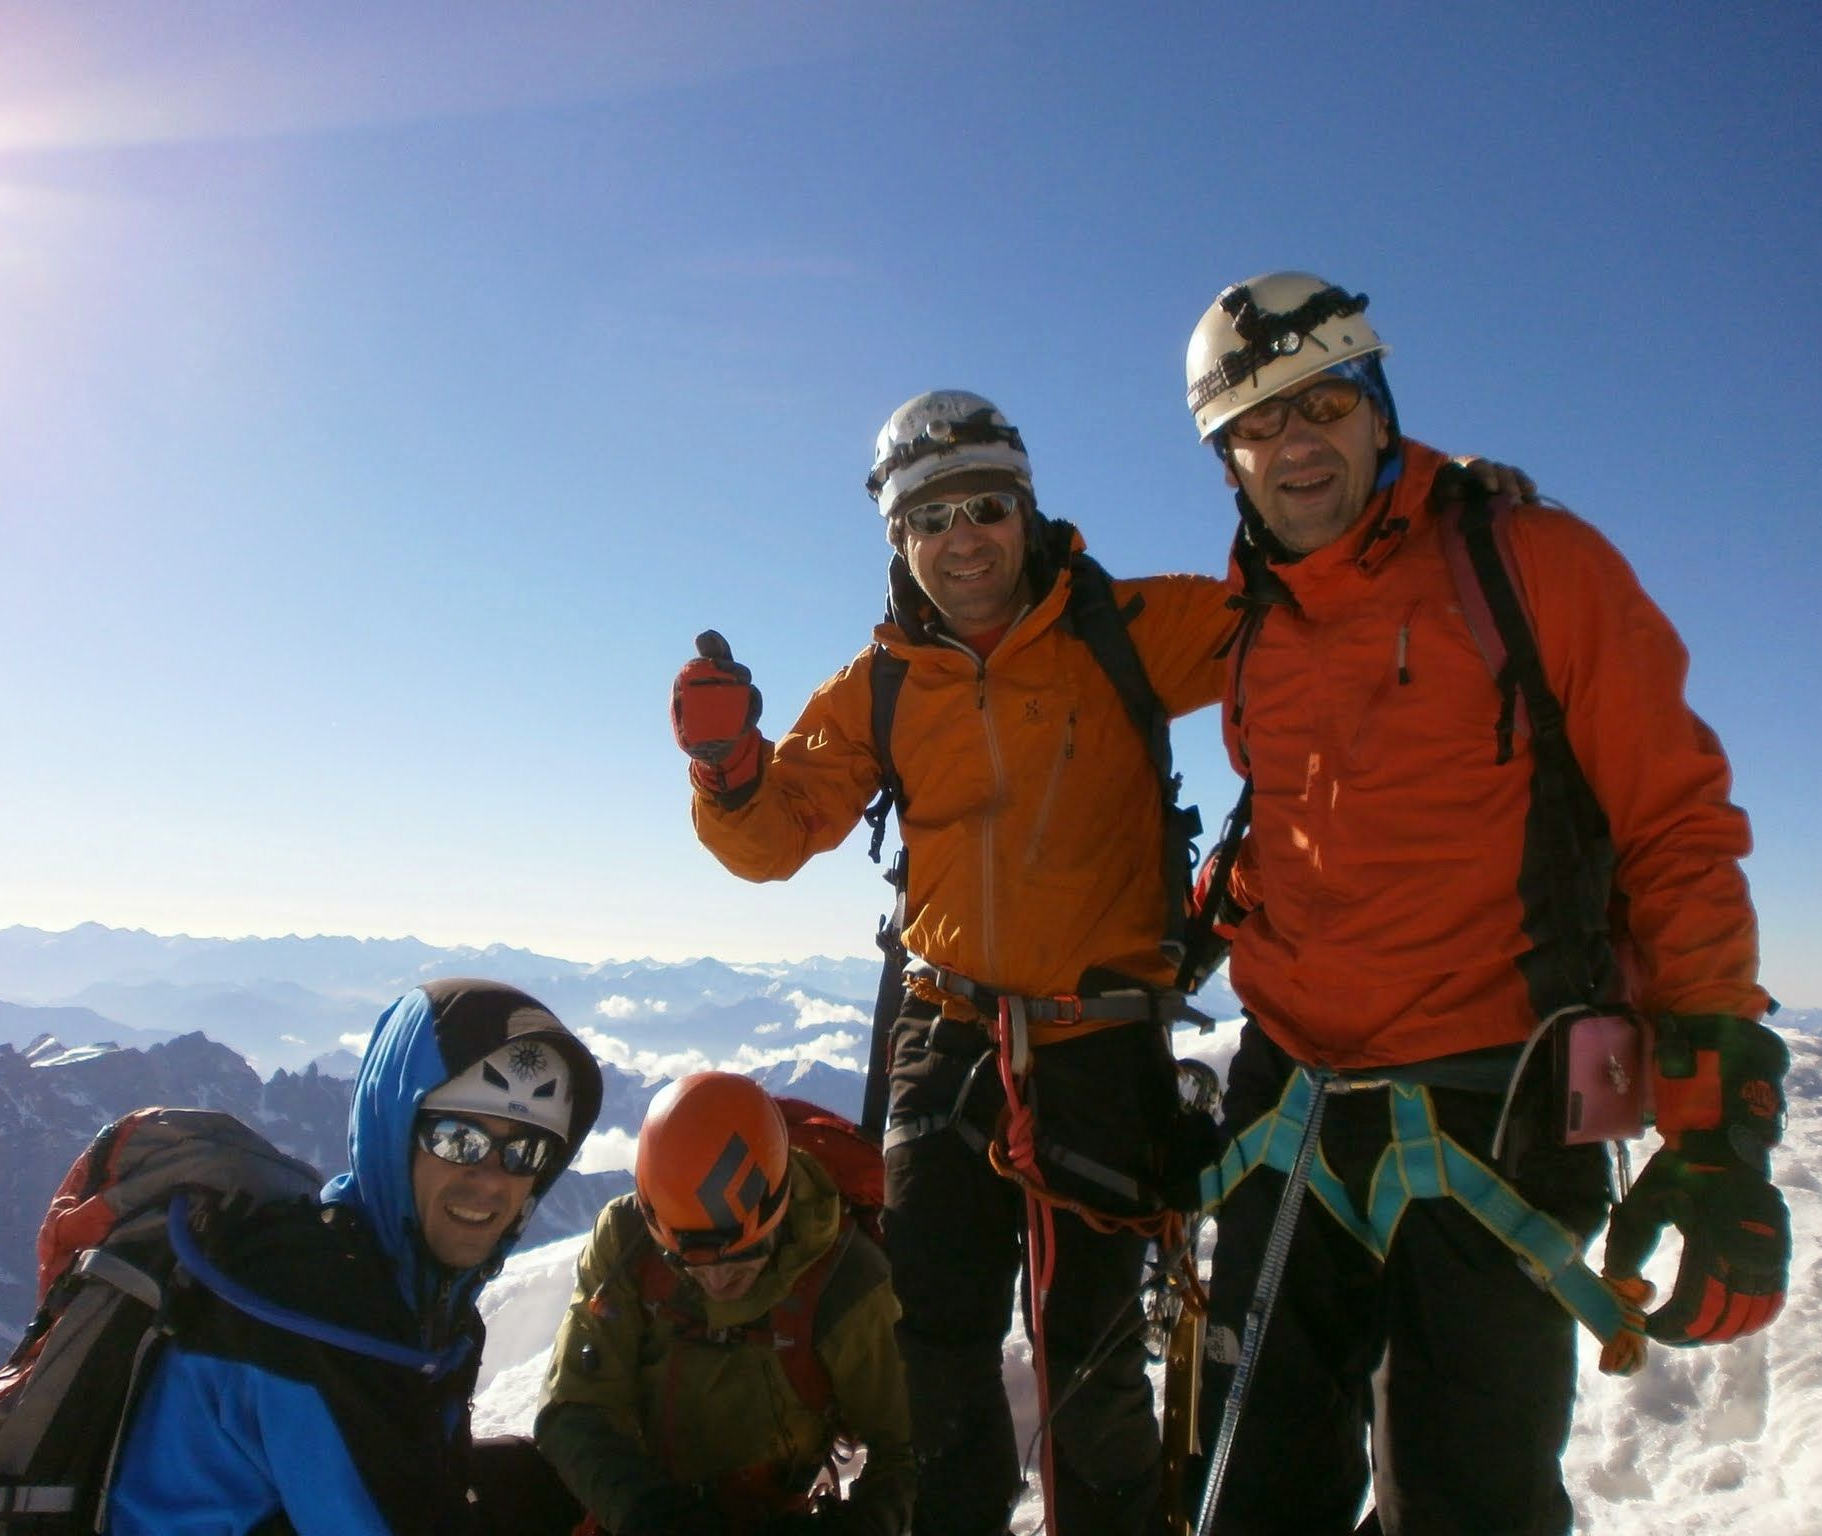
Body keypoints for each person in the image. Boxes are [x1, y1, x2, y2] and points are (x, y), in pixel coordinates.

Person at [1176, 271, 1789, 1534]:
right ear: (1224, 458)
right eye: (1254, 424)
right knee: (1247, 1499)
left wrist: (1717, 1124)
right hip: (1289, 1101)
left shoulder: (1530, 565)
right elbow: (1302, 829)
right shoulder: (1254, 622)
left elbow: (1671, 825)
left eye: (1325, 402)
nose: (1294, 445)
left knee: (1466, 1507)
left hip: (1490, 1107)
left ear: (1379, 403)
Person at [670, 388, 1245, 1535]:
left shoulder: (1130, 628)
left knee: (1089, 1364)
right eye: (928, 520)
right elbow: (776, 836)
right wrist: (727, 767)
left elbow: (1301, 619)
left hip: (1099, 1042)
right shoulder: (879, 684)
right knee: (930, 1347)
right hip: (945, 1036)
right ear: (897, 539)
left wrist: (1439, 521)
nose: (959, 539)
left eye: (983, 506)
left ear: (1026, 511)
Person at [104, 978, 604, 1535]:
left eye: (525, 1151)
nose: (490, 1180)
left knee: (545, 1486)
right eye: (457, 1139)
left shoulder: (391, 1274)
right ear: (395, 1131)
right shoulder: (316, 1319)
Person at [535, 1071, 913, 1534]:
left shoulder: (845, 1280)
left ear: (779, 1206)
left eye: (743, 1255)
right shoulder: (626, 1242)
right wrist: (647, 1513)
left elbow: (908, 1447)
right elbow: (573, 1406)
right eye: (686, 1260)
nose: (716, 1278)